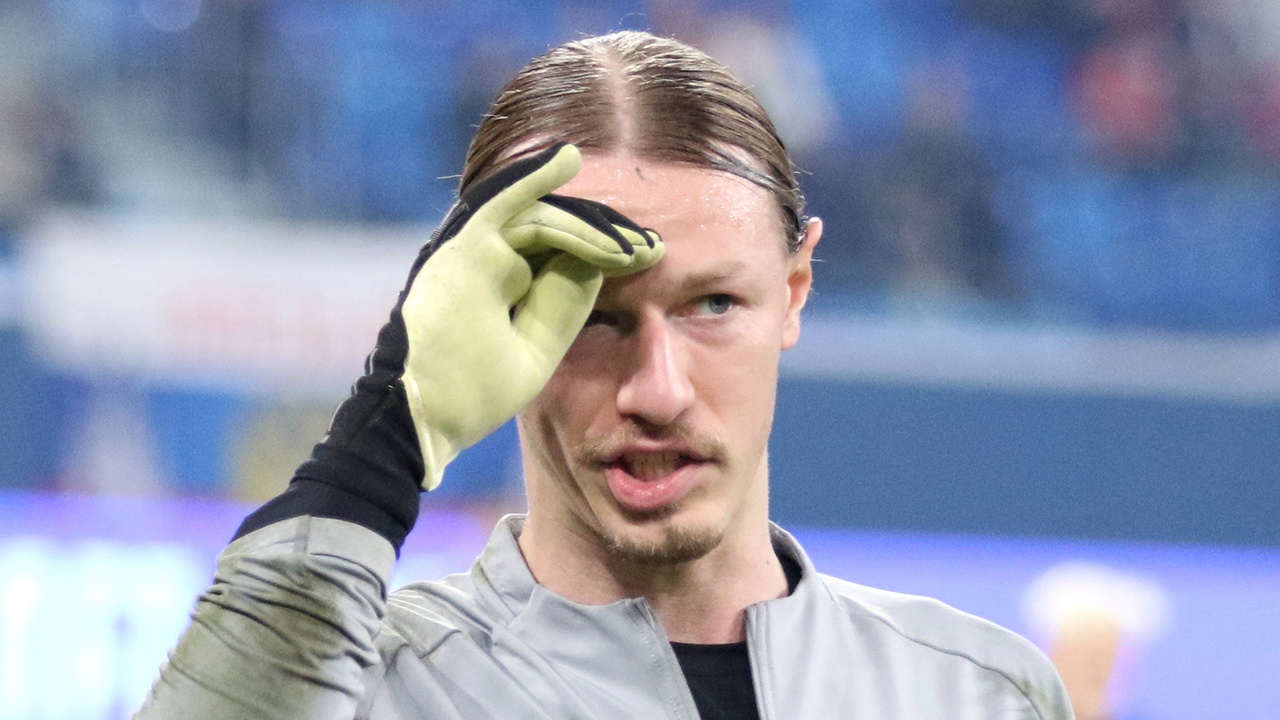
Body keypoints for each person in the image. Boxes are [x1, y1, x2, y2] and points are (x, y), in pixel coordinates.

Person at [136, 31, 1072, 719]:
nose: (658, 392)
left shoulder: (978, 693)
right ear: (493, 311)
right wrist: (387, 429)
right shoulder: (367, 692)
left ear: (794, 290)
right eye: (589, 317)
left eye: (713, 305)